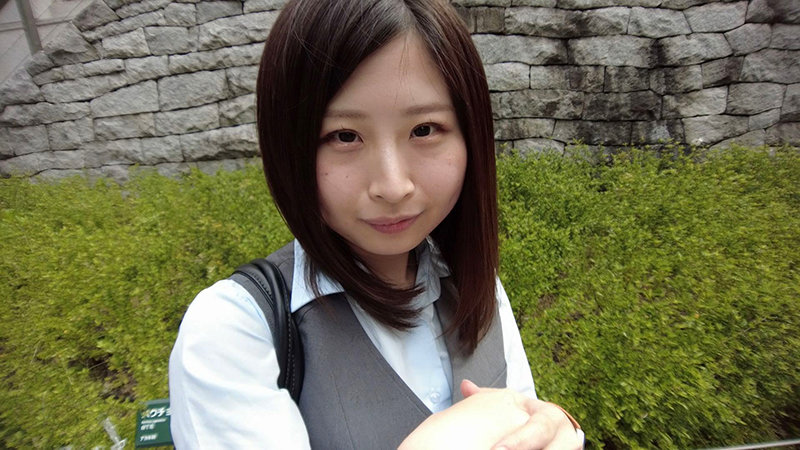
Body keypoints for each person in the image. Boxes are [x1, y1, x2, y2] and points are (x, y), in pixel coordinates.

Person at [168, 0, 584, 448]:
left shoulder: (476, 286)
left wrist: (559, 428)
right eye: (345, 136)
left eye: (424, 129)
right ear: (289, 146)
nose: (393, 186)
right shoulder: (233, 333)